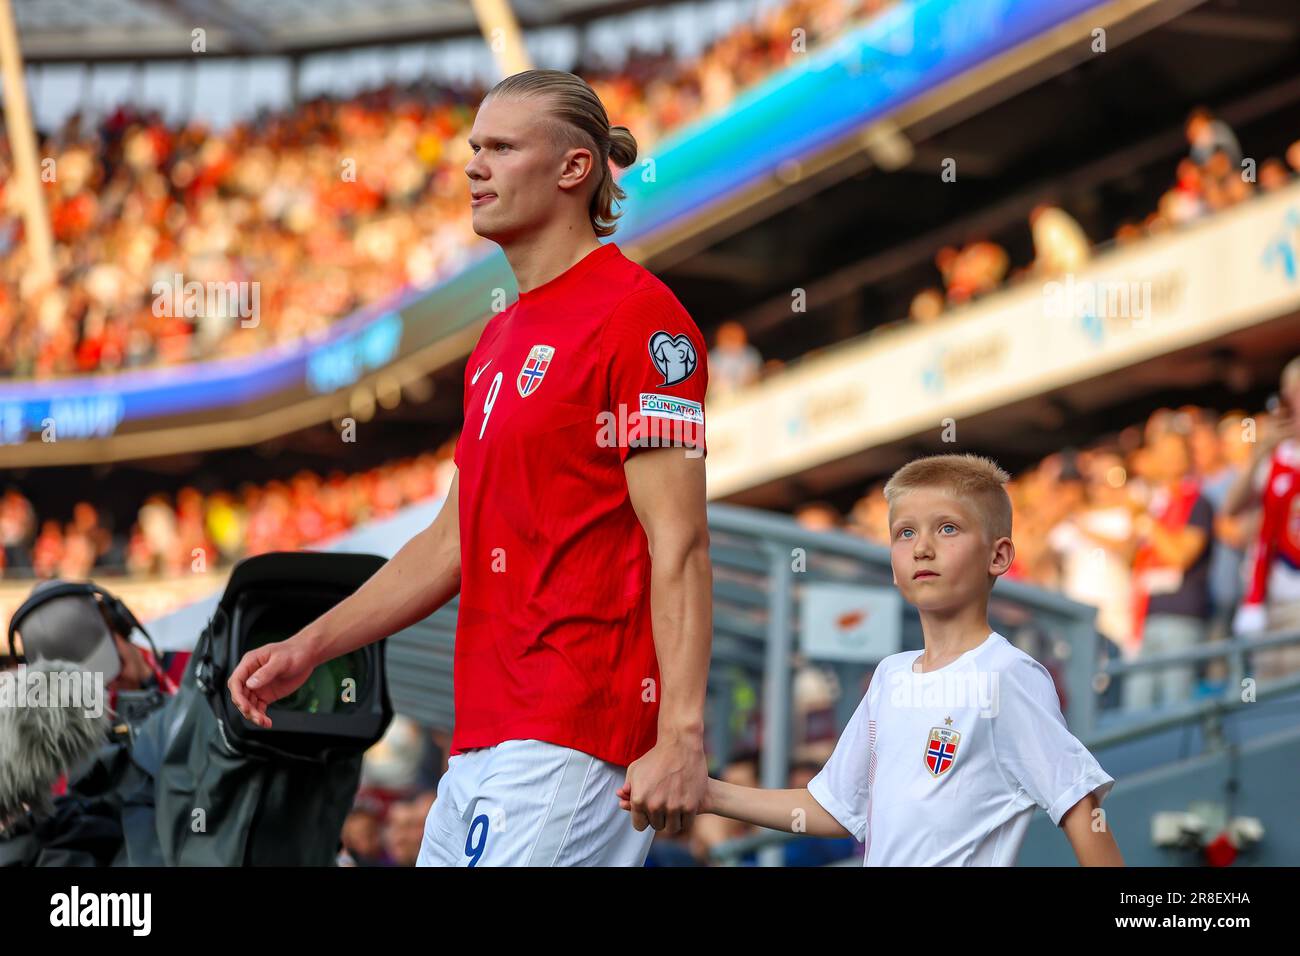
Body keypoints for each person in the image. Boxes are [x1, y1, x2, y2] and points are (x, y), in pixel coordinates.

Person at [228, 69, 714, 867]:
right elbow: (450, 542)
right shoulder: (494, 343)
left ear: (573, 169)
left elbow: (681, 542)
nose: (473, 167)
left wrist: (682, 735)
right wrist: (310, 647)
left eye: (500, 147)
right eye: (472, 148)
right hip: (481, 740)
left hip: (575, 734)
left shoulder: (639, 316)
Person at [641, 454, 1122, 866]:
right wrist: (707, 793)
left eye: (948, 528)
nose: (922, 547)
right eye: (904, 533)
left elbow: (1080, 810)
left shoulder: (1009, 676)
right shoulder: (890, 677)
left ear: (999, 557)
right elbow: (834, 808)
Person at [1224, 356, 1300, 679]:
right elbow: (1232, 507)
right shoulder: (1274, 454)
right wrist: (1259, 452)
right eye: (1289, 394)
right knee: (1268, 709)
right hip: (1267, 603)